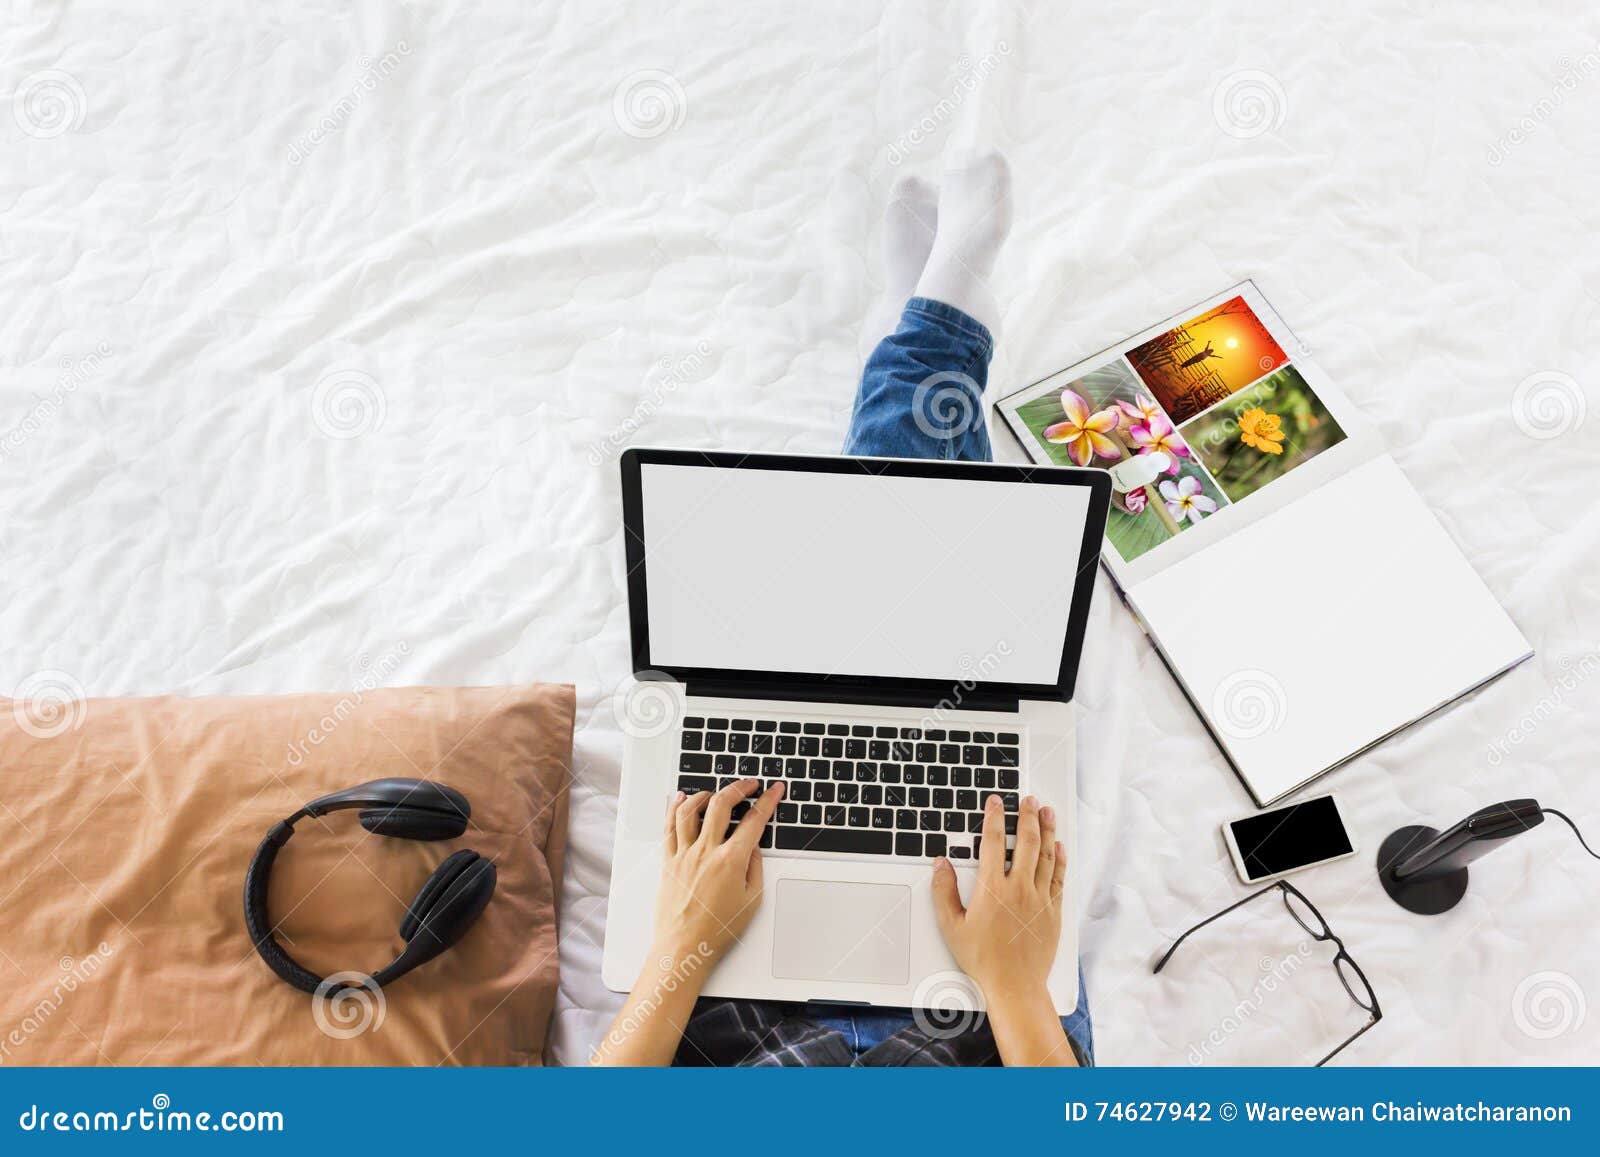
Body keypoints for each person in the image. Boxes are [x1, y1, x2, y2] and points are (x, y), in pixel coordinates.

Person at [593, 153, 1091, 1067]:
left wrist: (682, 944)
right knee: (932, 614)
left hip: (720, 1018)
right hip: (992, 1032)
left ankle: (929, 326)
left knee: (875, 607)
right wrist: (1016, 987)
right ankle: (929, 328)